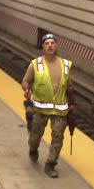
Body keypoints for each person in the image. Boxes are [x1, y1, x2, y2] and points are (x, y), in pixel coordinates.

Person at [22, 32, 75, 178]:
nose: (50, 45)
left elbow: (69, 86)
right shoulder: (35, 64)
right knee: (35, 136)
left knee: (58, 136)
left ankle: (50, 164)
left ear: (56, 45)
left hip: (59, 109)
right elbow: (25, 80)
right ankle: (33, 148)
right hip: (40, 108)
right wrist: (27, 89)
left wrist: (73, 103)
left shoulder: (65, 65)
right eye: (47, 43)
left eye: (52, 43)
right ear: (43, 46)